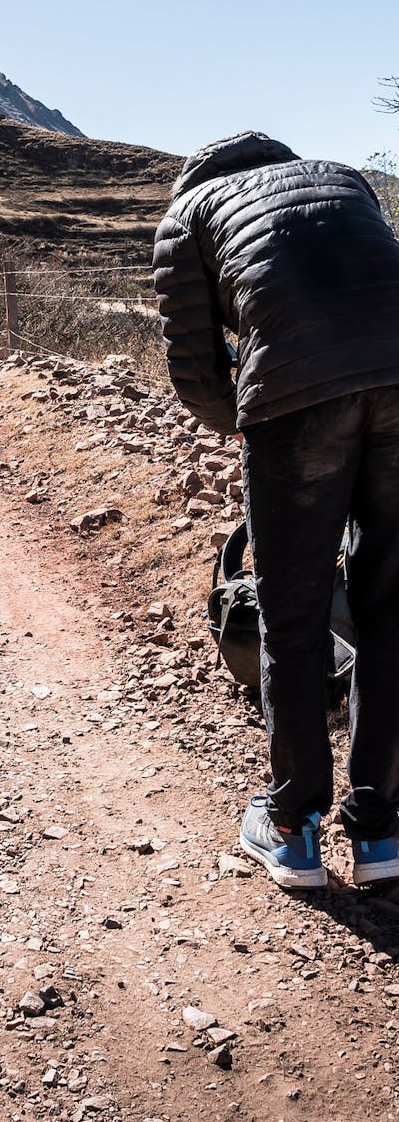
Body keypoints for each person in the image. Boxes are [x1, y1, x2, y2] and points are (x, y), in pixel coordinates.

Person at [153, 131, 399, 891]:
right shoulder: (346, 178)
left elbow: (194, 361)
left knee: (291, 614)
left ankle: (292, 827)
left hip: (296, 401)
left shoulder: (187, 213)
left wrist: (249, 418)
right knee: (391, 605)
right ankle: (382, 830)